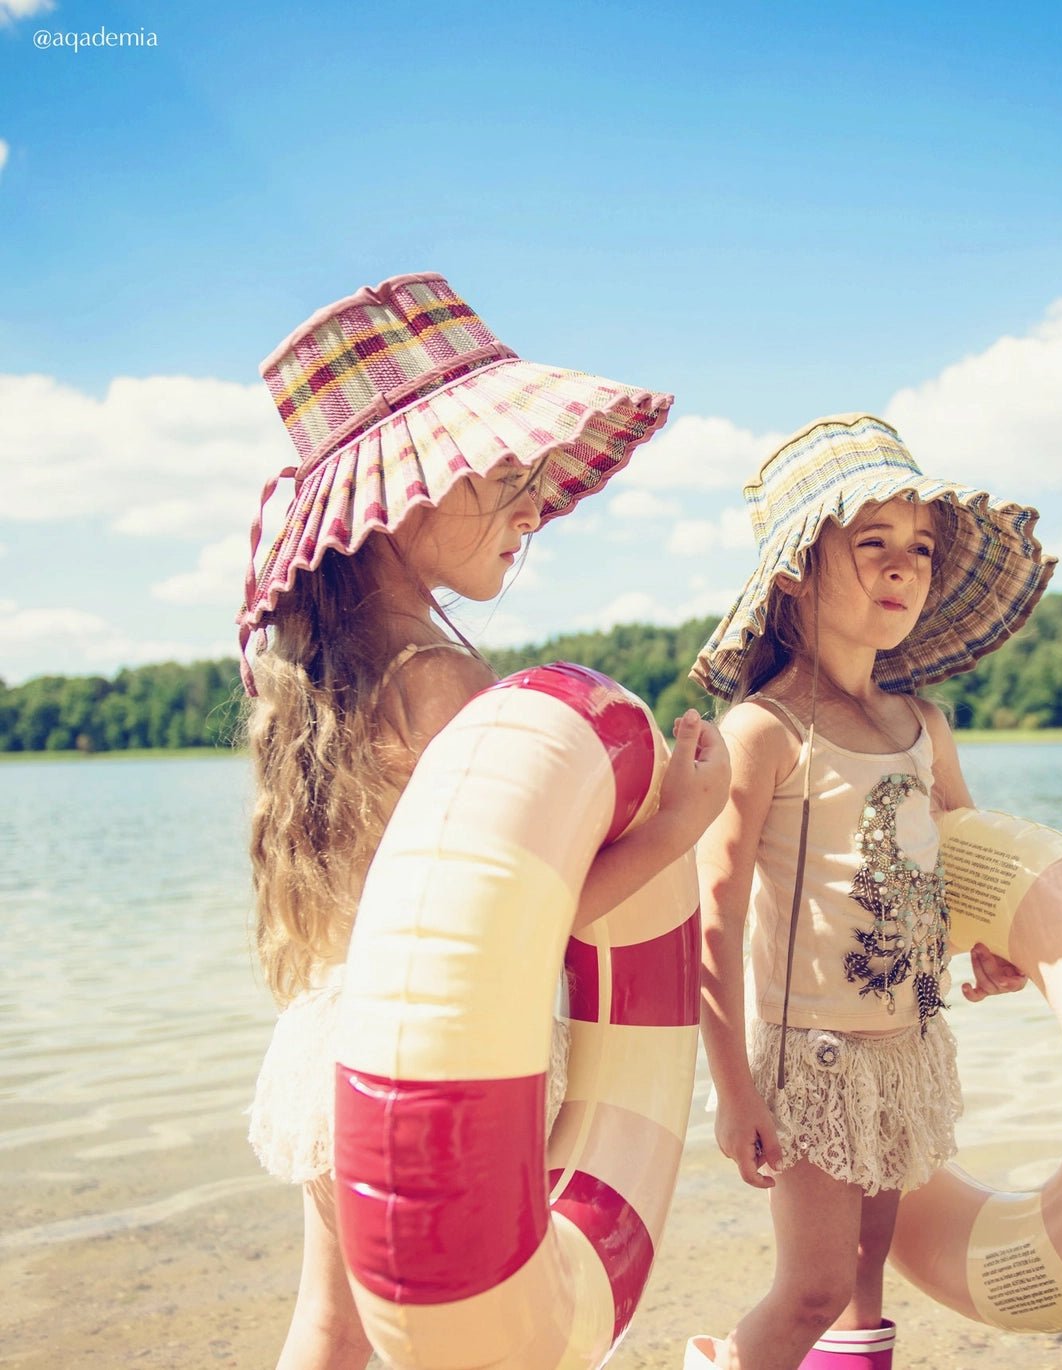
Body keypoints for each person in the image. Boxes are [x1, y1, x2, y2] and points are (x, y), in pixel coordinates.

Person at [238, 272, 729, 1370]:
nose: (532, 510)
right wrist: (680, 822)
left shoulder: (331, 675)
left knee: (331, 1328)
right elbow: (514, 917)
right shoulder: (443, 682)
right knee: (476, 1336)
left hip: (340, 1038)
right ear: (405, 494)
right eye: (505, 480)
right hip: (447, 1050)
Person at [686, 413, 1056, 1370]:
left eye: (921, 550)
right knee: (811, 1285)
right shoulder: (763, 732)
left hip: (909, 1042)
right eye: (873, 545)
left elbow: (966, 863)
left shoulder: (921, 724)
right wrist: (732, 1089)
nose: (903, 568)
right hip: (811, 1056)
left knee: (865, 1270)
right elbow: (712, 921)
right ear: (798, 571)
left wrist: (990, 943)